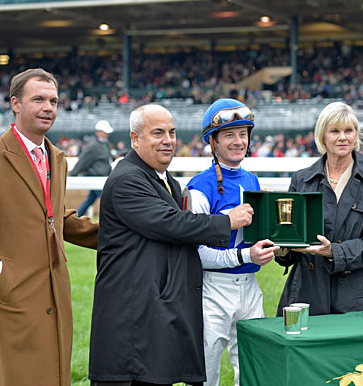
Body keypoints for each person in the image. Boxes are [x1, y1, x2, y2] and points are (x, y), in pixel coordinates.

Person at [88, 104, 255, 386]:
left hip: (150, 317)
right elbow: (171, 223)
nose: (168, 139)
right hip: (130, 323)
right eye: (157, 133)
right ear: (135, 138)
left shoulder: (167, 182)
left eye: (172, 132)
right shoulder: (127, 179)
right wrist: (226, 222)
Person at [0, 68, 98, 385]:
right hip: (8, 298)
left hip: (54, 293)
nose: (49, 107)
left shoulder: (56, 158)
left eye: (54, 101)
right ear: (15, 104)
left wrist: (116, 233)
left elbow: (57, 217)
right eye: (39, 100)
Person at [186, 98, 279, 386]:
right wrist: (245, 256)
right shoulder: (198, 187)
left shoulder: (253, 180)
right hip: (212, 290)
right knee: (206, 374)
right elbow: (197, 255)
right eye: (229, 135)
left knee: (253, 370)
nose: (238, 141)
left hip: (250, 288)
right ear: (212, 142)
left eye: (243, 133)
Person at [275, 101, 363, 316]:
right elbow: (290, 240)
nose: (342, 137)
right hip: (305, 294)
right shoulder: (301, 179)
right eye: (334, 131)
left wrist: (334, 252)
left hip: (355, 298)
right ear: (322, 136)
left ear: (356, 135)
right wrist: (282, 251)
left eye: (348, 130)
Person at [70, 119, 114, 216]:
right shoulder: (94, 145)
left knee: (89, 201)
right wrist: (73, 174)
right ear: (99, 132)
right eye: (105, 132)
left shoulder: (103, 144)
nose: (107, 134)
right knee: (108, 201)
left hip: (101, 178)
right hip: (97, 177)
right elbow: (83, 161)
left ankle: (77, 217)